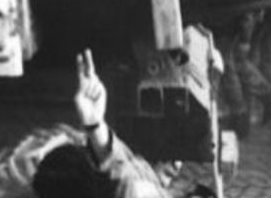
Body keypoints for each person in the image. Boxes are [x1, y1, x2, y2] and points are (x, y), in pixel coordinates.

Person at [32, 49, 169, 198]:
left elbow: (121, 175)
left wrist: (95, 126)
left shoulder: (132, 188)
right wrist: (94, 126)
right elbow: (118, 171)